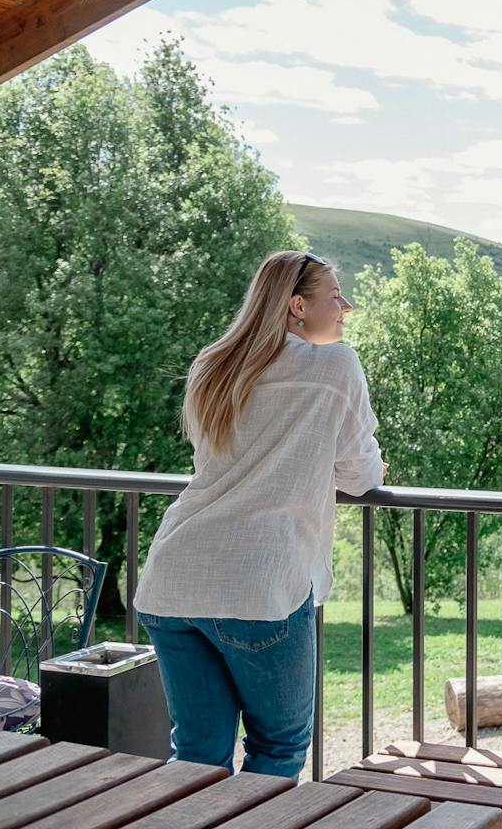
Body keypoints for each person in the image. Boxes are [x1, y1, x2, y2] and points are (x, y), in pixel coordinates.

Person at [134, 250, 385, 780]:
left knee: (197, 754)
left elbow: (212, 463)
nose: (346, 306)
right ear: (298, 305)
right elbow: (360, 477)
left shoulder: (215, 363)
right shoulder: (336, 365)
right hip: (260, 584)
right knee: (278, 745)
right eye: (335, 295)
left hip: (173, 579)